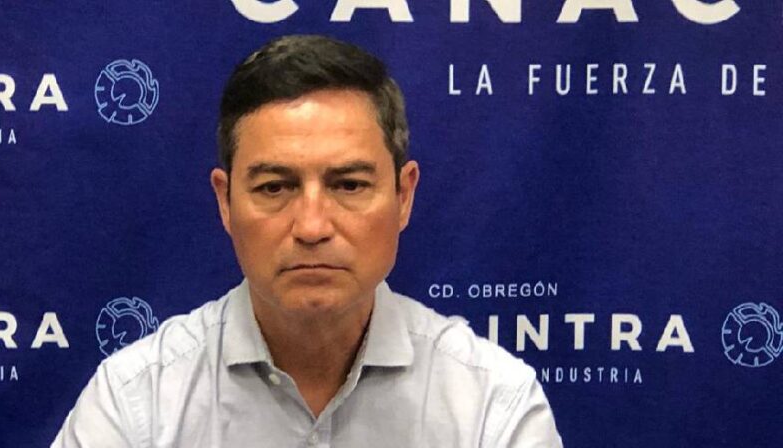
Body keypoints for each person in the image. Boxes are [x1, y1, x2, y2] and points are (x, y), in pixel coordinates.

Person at [52, 34, 562, 447]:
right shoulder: (135, 403)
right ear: (225, 202)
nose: (312, 227)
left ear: (404, 196)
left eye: (349, 185)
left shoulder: (492, 405)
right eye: (275, 188)